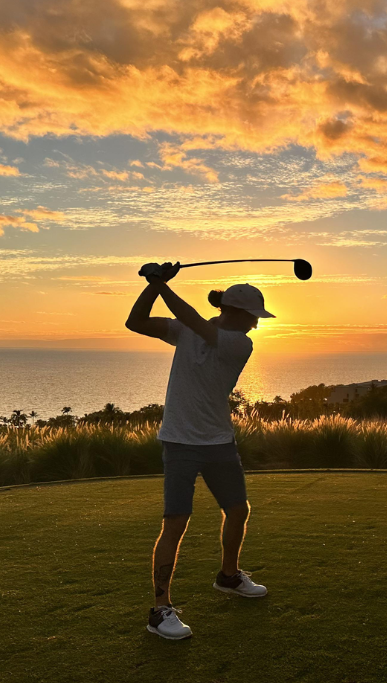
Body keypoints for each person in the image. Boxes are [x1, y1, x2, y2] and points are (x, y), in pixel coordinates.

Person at [125, 262, 273, 641]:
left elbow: (192, 319)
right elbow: (136, 321)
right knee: (175, 522)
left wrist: (160, 283)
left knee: (238, 510)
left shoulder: (240, 343)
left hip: (219, 441)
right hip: (179, 441)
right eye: (253, 316)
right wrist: (153, 288)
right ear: (233, 310)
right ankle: (160, 610)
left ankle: (228, 576)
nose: (256, 324)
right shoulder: (188, 331)